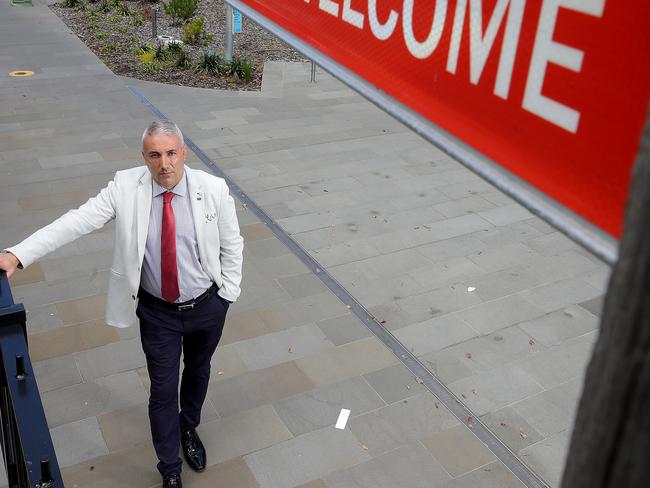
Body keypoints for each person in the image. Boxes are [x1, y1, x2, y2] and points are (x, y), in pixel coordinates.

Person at [0, 120, 243, 488]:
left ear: (184, 152)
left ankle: (188, 428)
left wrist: (228, 295)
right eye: (155, 155)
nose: (165, 164)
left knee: (198, 370)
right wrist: (19, 254)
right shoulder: (125, 187)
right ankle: (170, 469)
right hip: (158, 312)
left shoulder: (213, 189)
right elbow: (76, 221)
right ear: (144, 157)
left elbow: (232, 243)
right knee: (162, 391)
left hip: (207, 306)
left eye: (172, 153)